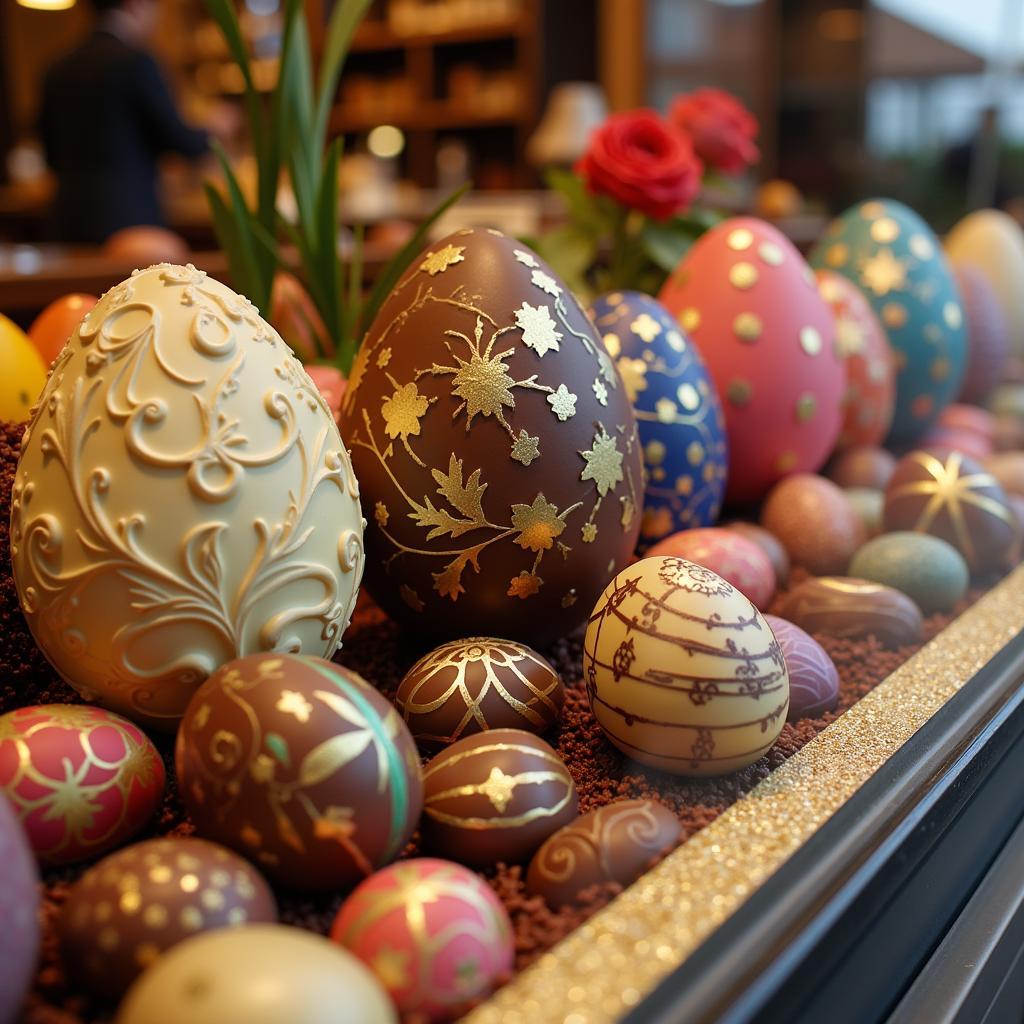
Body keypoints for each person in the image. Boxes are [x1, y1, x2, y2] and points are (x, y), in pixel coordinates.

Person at [39, 0, 225, 244]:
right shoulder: (136, 62)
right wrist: (214, 128)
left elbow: (49, 154)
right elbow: (180, 140)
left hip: (68, 221)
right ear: (137, 5)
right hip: (128, 221)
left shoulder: (56, 68)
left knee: (80, 284)